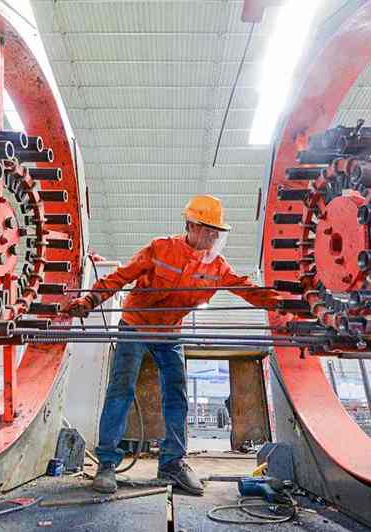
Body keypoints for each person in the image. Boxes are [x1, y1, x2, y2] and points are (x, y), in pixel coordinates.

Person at [63, 195, 287, 495]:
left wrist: (286, 302)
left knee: (177, 395)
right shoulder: (160, 248)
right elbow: (120, 276)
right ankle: (106, 464)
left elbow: (248, 290)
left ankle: (172, 463)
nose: (214, 236)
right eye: (209, 230)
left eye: (217, 232)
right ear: (192, 225)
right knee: (120, 390)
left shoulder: (217, 267)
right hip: (136, 325)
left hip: (170, 333)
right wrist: (90, 300)